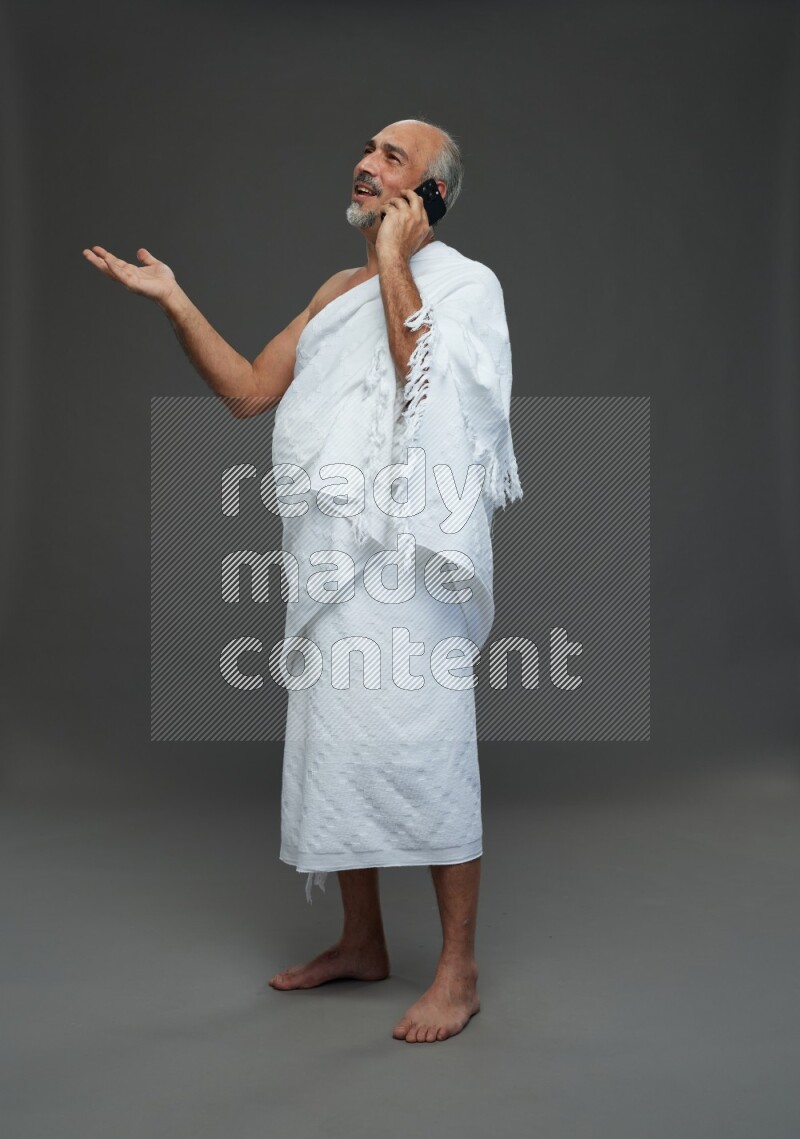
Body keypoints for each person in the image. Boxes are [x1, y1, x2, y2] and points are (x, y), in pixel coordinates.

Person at [82, 118, 521, 1044]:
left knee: (428, 747)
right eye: (368, 150)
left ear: (430, 193)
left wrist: (396, 256)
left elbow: (424, 385)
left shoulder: (468, 286)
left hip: (411, 561)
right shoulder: (334, 292)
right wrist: (174, 298)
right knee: (341, 746)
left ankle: (459, 968)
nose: (366, 165)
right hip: (330, 556)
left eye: (393, 158)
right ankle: (362, 940)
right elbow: (248, 390)